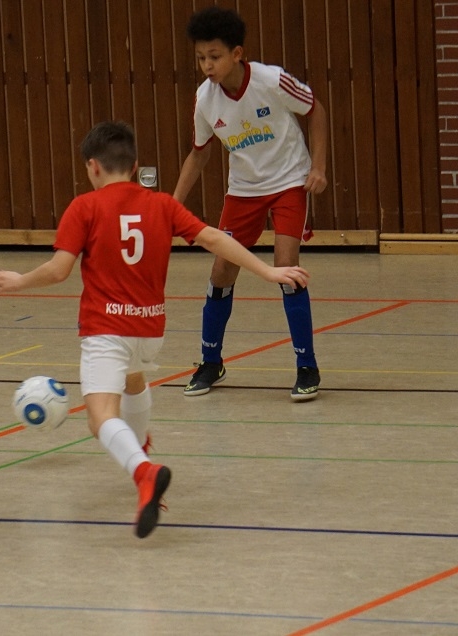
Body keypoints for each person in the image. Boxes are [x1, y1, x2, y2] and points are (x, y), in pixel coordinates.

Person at [0, 121, 310, 538]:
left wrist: (20, 281)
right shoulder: (162, 205)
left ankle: (144, 471)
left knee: (100, 418)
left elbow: (58, 270)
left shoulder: (84, 207)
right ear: (135, 165)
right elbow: (214, 238)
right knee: (134, 381)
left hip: (106, 328)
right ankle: (143, 470)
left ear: (92, 167)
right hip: (149, 329)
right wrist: (268, 271)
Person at [173, 6, 329, 401]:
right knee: (221, 270)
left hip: (289, 180)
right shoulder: (205, 99)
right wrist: (170, 205)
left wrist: (319, 167)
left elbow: (316, 110)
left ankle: (307, 366)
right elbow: (199, 154)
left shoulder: (271, 81)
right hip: (243, 189)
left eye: (214, 56)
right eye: (200, 58)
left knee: (286, 265)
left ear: (237, 53)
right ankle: (211, 362)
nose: (207, 65)